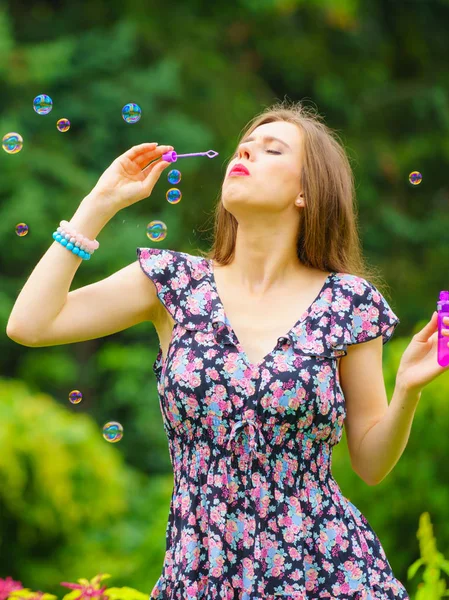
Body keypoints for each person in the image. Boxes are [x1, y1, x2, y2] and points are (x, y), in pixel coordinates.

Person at [7, 100, 415, 599]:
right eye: (246, 143)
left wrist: (409, 390)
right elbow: (29, 324)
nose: (247, 149)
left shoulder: (348, 304)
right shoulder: (172, 283)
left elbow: (370, 464)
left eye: (272, 149)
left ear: (307, 191)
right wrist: (99, 203)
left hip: (326, 572)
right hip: (203, 572)